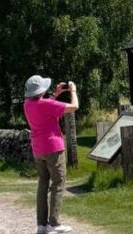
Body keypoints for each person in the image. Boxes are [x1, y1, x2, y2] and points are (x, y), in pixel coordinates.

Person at [23, 75, 78, 234]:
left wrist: (55, 94)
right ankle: (54, 223)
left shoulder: (27, 105)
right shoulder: (46, 104)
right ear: (42, 90)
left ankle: (41, 224)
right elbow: (74, 107)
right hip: (53, 148)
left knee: (43, 184)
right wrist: (73, 91)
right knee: (58, 183)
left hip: (38, 149)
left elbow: (46, 107)